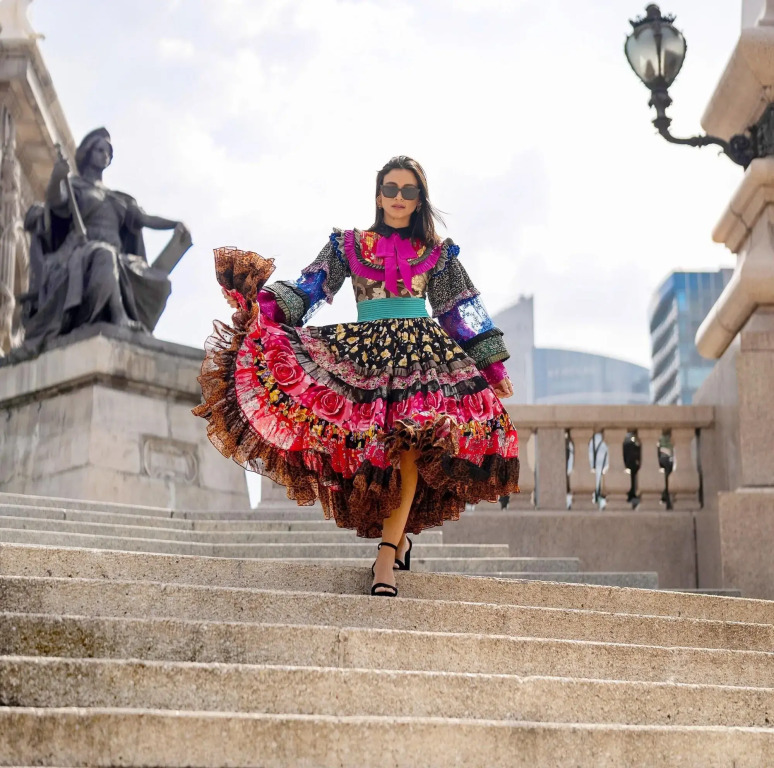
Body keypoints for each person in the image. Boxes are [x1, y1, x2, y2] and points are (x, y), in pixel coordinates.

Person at [194, 156, 520, 596]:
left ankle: (385, 558)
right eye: (391, 188)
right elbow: (310, 288)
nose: (399, 197)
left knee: (412, 444)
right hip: (365, 357)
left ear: (419, 199)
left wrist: (491, 366)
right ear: (379, 196)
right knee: (375, 454)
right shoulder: (349, 245)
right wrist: (261, 308)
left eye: (409, 190)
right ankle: (400, 540)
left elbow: (460, 310)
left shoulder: (438, 253)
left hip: (422, 358)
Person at [20, 128, 191, 352]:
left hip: (118, 256)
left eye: (108, 152)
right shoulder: (75, 187)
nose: (105, 155)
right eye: (100, 150)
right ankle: (119, 317)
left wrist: (175, 224)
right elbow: (55, 201)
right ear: (87, 153)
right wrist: (57, 177)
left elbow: (145, 218)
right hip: (82, 252)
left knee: (160, 280)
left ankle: (132, 321)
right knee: (104, 255)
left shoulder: (118, 198)